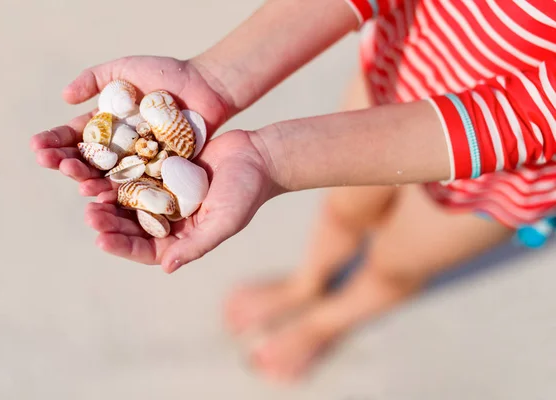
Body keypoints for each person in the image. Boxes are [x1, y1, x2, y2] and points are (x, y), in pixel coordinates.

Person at [30, 0, 556, 382]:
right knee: (344, 212)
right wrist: (215, 78)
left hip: (514, 175)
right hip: (400, 75)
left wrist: (278, 159)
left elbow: (533, 114)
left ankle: (326, 321)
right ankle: (307, 285)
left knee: (398, 265)